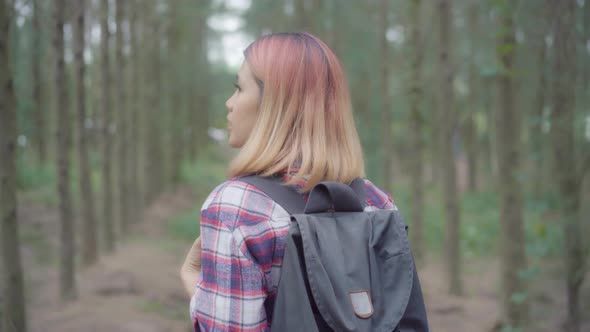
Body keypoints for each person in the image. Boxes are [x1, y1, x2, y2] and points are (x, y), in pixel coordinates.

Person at [180, 32, 409, 331]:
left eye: (239, 88)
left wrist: (196, 288)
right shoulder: (379, 204)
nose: (229, 103)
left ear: (274, 104)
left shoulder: (238, 208)